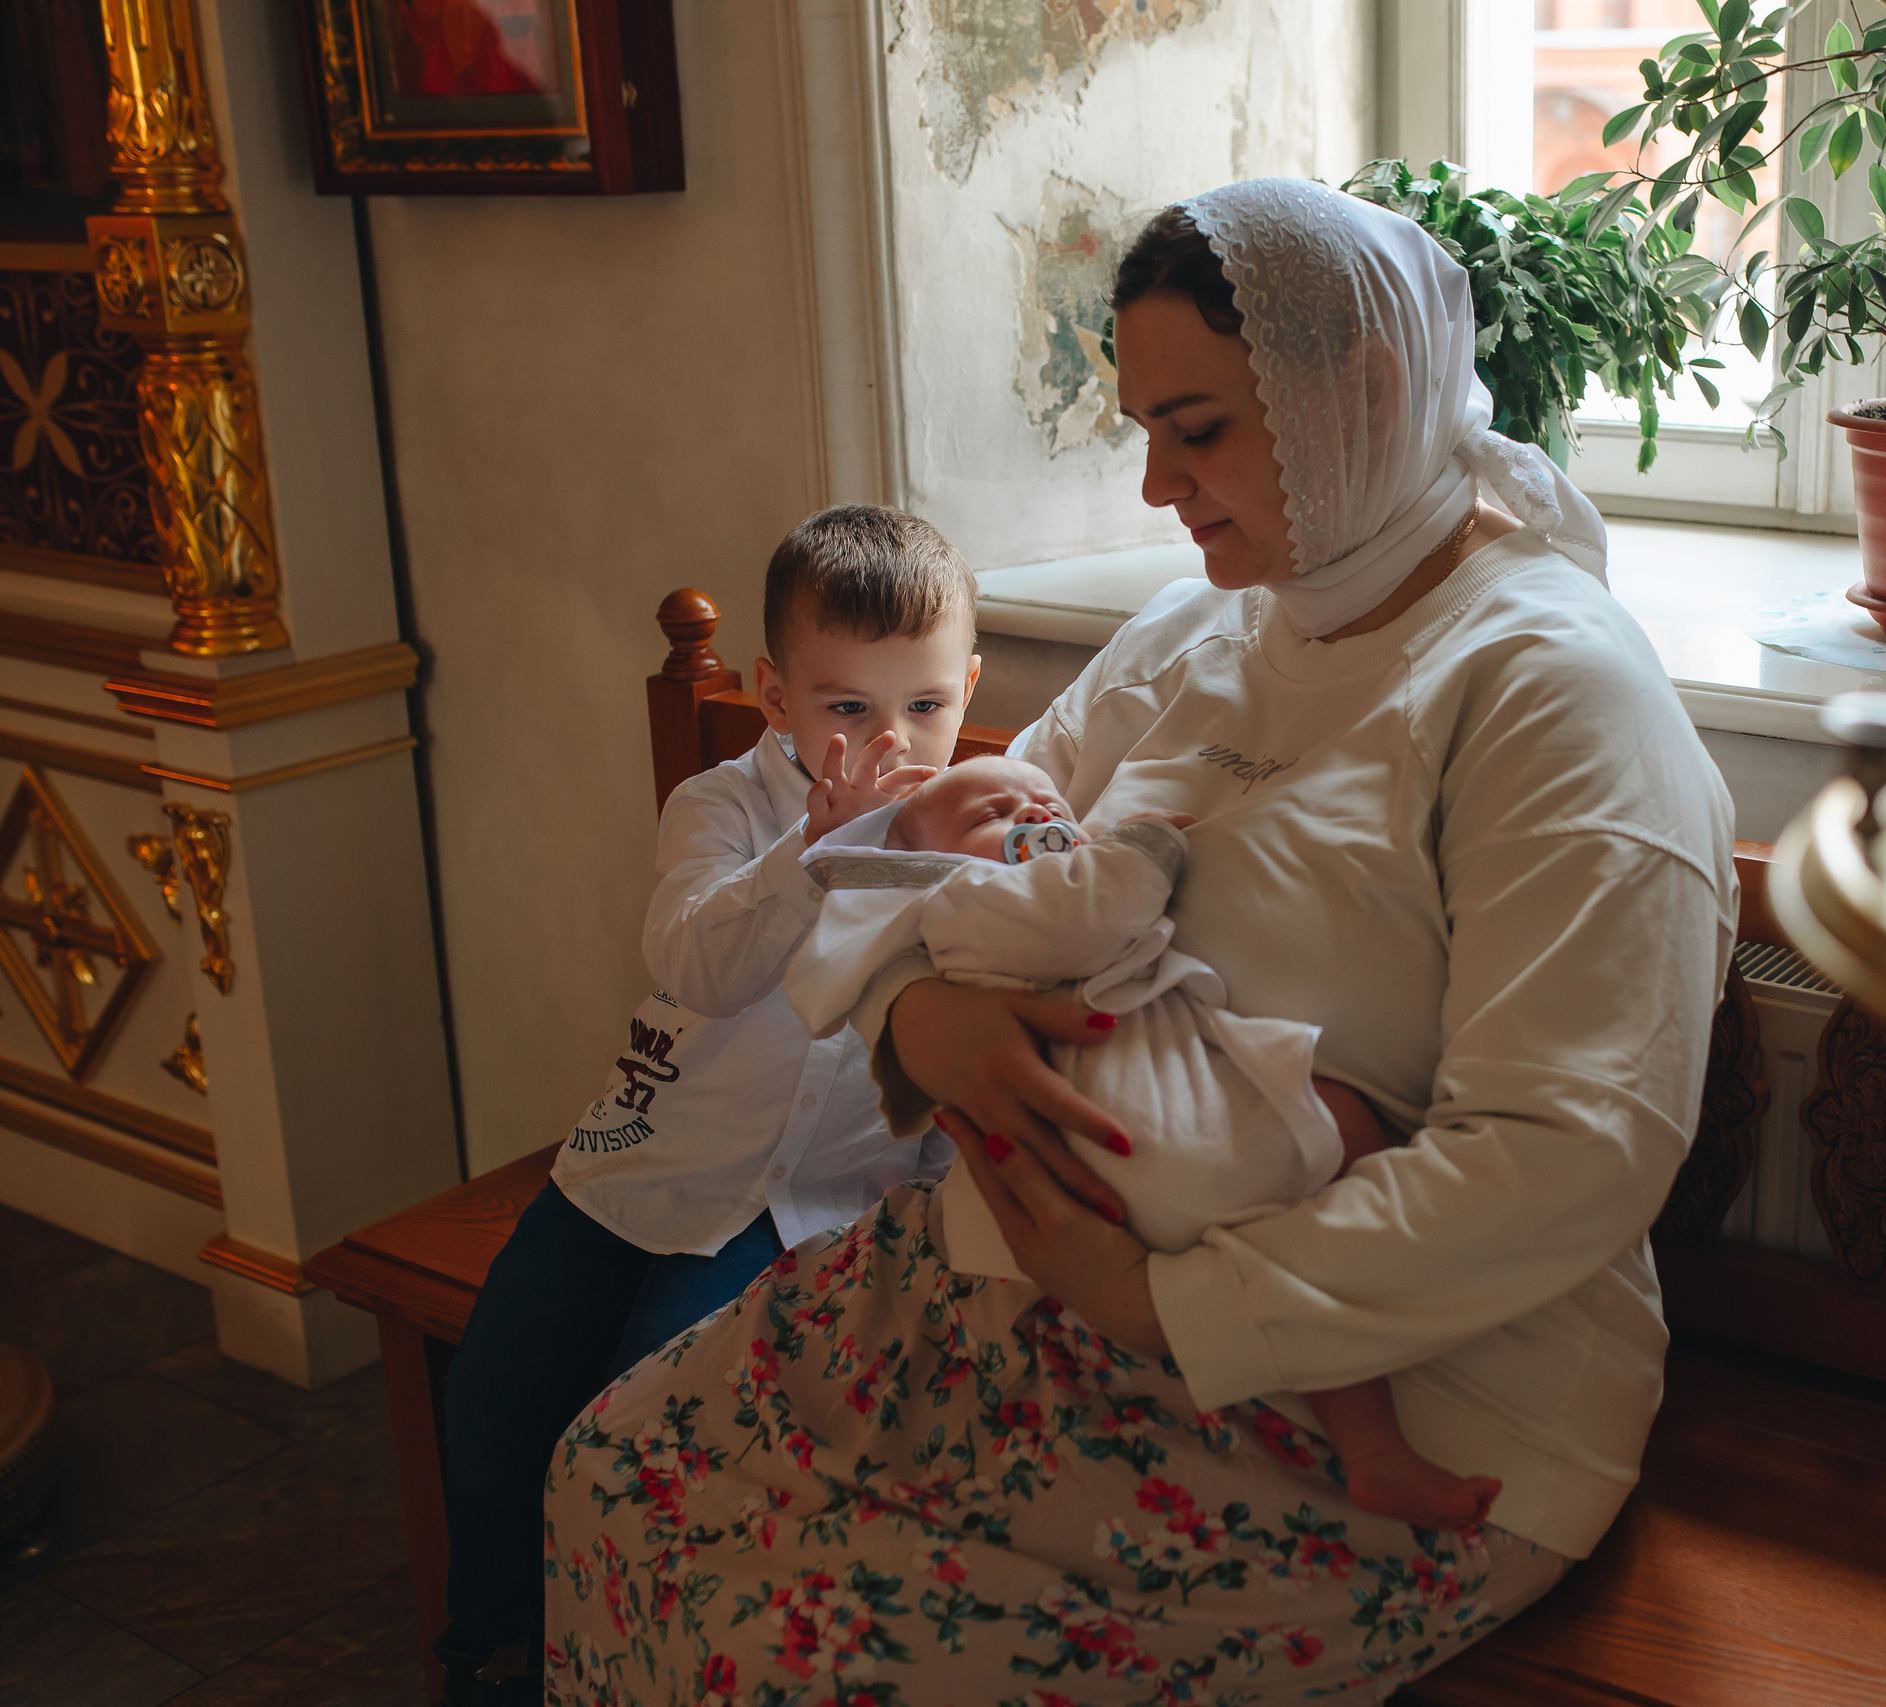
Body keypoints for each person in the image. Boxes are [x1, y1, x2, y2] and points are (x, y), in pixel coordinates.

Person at [546, 179, 1736, 1704]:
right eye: (1146, 432)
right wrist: (921, 1023)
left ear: (1358, 393)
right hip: (1032, 1280)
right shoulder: (1207, 630)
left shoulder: (1551, 691)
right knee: (614, 1473)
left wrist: (1152, 1302)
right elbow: (939, 843)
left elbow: (1573, 1152)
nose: (1162, 486)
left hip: (1397, 1391)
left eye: (1202, 429)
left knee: (788, 1659)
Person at [434, 505, 977, 1706]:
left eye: (924, 707)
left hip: (801, 1214)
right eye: (848, 709)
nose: (892, 742)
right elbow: (699, 966)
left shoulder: (968, 833)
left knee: (642, 1437)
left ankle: (619, 1670)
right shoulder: (724, 807)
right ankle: (495, 1648)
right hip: (645, 1160)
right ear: (776, 697)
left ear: (966, 689)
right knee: (495, 1408)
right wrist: (817, 858)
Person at [788, 754, 1506, 1529]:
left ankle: (1371, 1452)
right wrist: (1145, 846)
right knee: (1339, 1148)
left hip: (1131, 1136)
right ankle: (1370, 1431)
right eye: (994, 813)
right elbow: (1086, 914)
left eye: (1049, 800)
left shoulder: (1003, 887)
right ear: (924, 862)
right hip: (1144, 1135)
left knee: (1343, 1149)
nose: (1036, 815)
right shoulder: (963, 903)